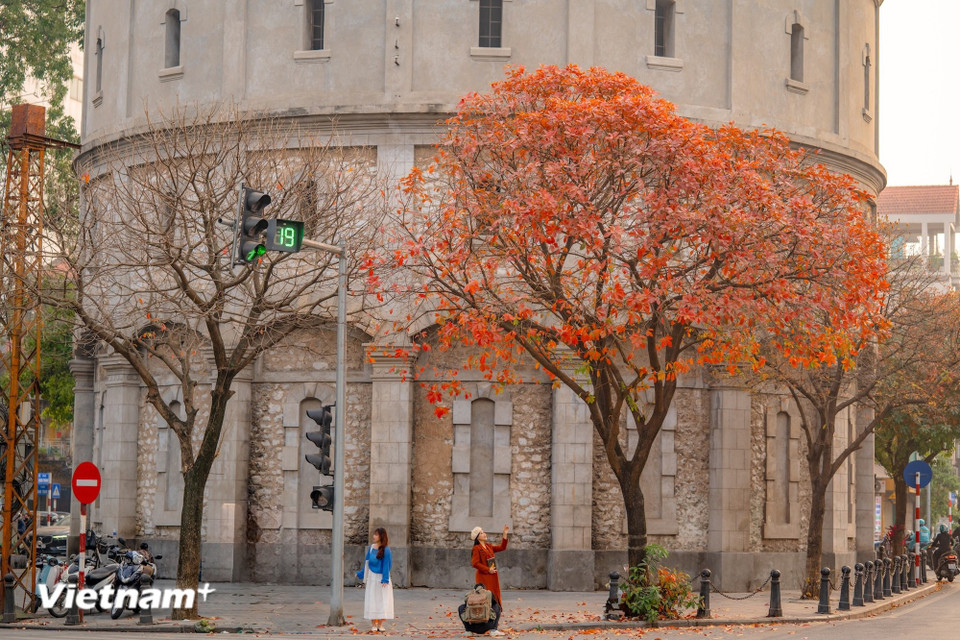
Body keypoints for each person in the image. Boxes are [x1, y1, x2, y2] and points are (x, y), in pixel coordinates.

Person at [471, 525, 508, 637]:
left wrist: (505, 534)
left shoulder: (488, 546)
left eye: (484, 532)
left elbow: (502, 547)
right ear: (478, 537)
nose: (484, 533)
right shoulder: (476, 549)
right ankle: (491, 628)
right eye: (482, 533)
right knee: (489, 603)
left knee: (495, 601)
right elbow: (475, 563)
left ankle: (493, 628)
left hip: (493, 578)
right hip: (484, 578)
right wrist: (488, 569)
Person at [356, 527, 394, 633]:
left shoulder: (386, 549)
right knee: (372, 600)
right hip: (372, 578)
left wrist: (385, 579)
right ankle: (373, 624)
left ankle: (380, 624)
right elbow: (367, 563)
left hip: (382, 578)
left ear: (381, 536)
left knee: (382, 600)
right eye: (374, 534)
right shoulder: (371, 548)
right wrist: (361, 574)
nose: (374, 536)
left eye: (376, 534)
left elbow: (387, 565)